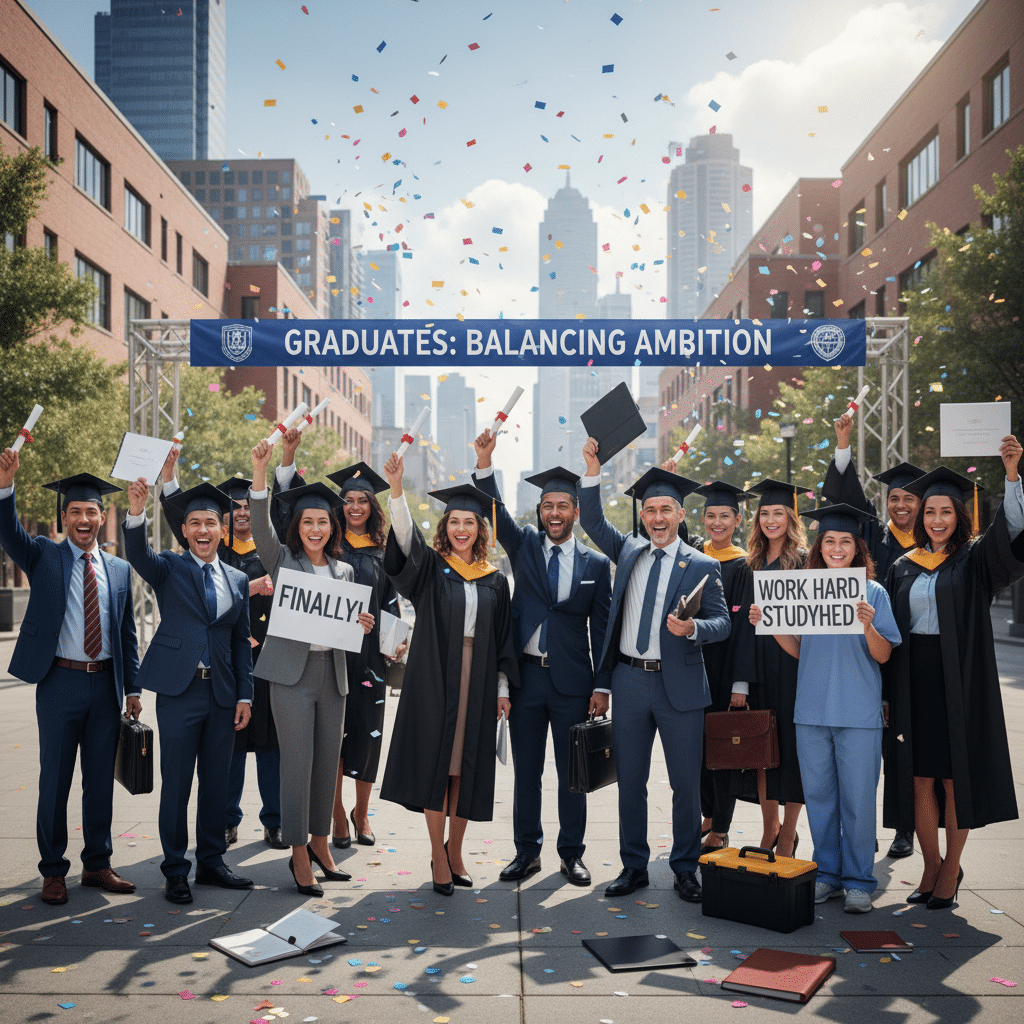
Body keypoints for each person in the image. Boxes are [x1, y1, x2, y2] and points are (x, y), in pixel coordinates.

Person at [578, 441, 730, 902]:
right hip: (629, 680)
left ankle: (685, 868)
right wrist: (591, 471)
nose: (657, 518)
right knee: (632, 781)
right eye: (650, 511)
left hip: (680, 685)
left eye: (666, 509)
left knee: (685, 783)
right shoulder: (628, 551)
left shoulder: (703, 564)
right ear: (642, 516)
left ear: (681, 515)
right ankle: (634, 866)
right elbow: (591, 521)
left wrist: (692, 628)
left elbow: (723, 623)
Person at [883, 441, 1024, 910]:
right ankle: (929, 861)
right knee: (918, 778)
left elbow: (1013, 533)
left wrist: (1010, 476)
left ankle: (951, 866)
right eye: (929, 512)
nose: (936, 520)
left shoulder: (975, 559)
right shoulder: (902, 566)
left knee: (951, 778)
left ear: (959, 516)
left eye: (945, 511)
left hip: (957, 681)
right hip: (910, 680)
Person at [472, 428, 612, 887]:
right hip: (527, 681)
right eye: (548, 506)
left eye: (562, 506)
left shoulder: (594, 565)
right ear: (541, 511)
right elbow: (494, 511)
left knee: (574, 777)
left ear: (575, 511)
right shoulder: (525, 545)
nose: (554, 513)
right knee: (527, 774)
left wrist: (602, 685)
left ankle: (571, 854)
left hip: (573, 684)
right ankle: (526, 852)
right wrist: (485, 463)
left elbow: (603, 628)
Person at [0, 456, 139, 907]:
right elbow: (8, 532)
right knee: (55, 781)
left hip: (105, 688)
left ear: (102, 516)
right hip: (58, 684)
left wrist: (132, 688)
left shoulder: (118, 570)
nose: (84, 519)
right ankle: (53, 871)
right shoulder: (44, 555)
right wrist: (6, 487)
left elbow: (126, 634)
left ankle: (97, 864)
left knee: (99, 781)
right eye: (75, 512)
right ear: (64, 518)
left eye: (91, 512)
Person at [750, 503, 901, 914]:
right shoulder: (806, 588)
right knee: (819, 798)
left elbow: (884, 655)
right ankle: (828, 875)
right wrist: (771, 623)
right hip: (811, 711)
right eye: (830, 541)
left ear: (857, 549)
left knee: (857, 801)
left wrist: (868, 624)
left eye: (845, 542)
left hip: (858, 714)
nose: (837, 548)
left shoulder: (873, 593)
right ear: (820, 547)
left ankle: (858, 881)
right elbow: (800, 650)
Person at [380, 452, 519, 895]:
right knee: (435, 766)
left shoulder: (494, 579)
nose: (461, 529)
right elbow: (404, 538)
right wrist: (397, 490)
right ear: (445, 527)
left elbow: (501, 640)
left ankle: (455, 849)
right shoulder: (431, 569)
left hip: (478, 679)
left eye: (470, 523)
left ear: (481, 530)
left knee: (465, 768)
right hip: (434, 676)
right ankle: (437, 854)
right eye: (454, 521)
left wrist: (501, 688)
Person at [249, 441, 374, 896]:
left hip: (333, 677)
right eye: (308, 522)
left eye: (323, 521)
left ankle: (323, 844)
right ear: (297, 528)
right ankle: (298, 852)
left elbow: (350, 626)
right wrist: (260, 471)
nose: (316, 529)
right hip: (292, 677)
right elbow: (261, 527)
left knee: (326, 765)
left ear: (331, 526)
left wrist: (363, 622)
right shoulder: (283, 563)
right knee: (297, 765)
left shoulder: (344, 573)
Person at [123, 480, 254, 905]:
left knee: (216, 784)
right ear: (185, 530)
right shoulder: (168, 568)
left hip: (221, 694)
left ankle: (212, 862)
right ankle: (176, 869)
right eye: (194, 522)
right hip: (180, 693)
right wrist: (137, 513)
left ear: (222, 529)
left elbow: (240, 641)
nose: (202, 529)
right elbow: (138, 554)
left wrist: (245, 695)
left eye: (210, 522)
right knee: (177, 785)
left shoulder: (236, 578)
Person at [157, 454, 284, 851]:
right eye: (237, 508)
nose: (243, 514)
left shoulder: (270, 547)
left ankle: (274, 820)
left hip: (272, 660)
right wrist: (169, 478)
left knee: (270, 745)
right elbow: (206, 591)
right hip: (227, 663)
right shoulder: (212, 548)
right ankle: (227, 821)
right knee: (229, 751)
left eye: (248, 507)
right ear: (226, 517)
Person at [822, 412, 925, 860]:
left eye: (909, 500)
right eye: (895, 499)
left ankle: (905, 827)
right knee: (875, 748)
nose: (900, 506)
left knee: (905, 744)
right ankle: (882, 829)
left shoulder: (933, 545)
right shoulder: (874, 537)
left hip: (916, 656)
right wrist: (843, 441)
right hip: (868, 654)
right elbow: (845, 499)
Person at [323, 462, 405, 850]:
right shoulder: (326, 546)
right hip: (332, 653)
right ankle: (337, 813)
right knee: (335, 736)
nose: (355, 507)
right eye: (348, 500)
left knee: (368, 735)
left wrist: (396, 640)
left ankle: (362, 811)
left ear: (373, 506)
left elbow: (390, 603)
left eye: (362, 501)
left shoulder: (383, 551)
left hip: (370, 655)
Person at [740, 479, 807, 858]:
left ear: (790, 517)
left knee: (792, 752)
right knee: (762, 751)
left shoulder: (804, 561)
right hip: (759, 666)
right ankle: (770, 828)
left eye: (777, 513)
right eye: (764, 513)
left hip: (793, 667)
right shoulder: (749, 563)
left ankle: (789, 834)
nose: (770, 520)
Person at [690, 481, 756, 855]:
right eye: (711, 516)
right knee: (696, 749)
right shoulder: (694, 556)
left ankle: (722, 828)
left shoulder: (743, 565)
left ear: (737, 520)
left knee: (723, 751)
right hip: (693, 664)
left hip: (726, 667)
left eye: (725, 516)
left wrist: (740, 682)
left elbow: (746, 628)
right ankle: (709, 813)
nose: (718, 523)